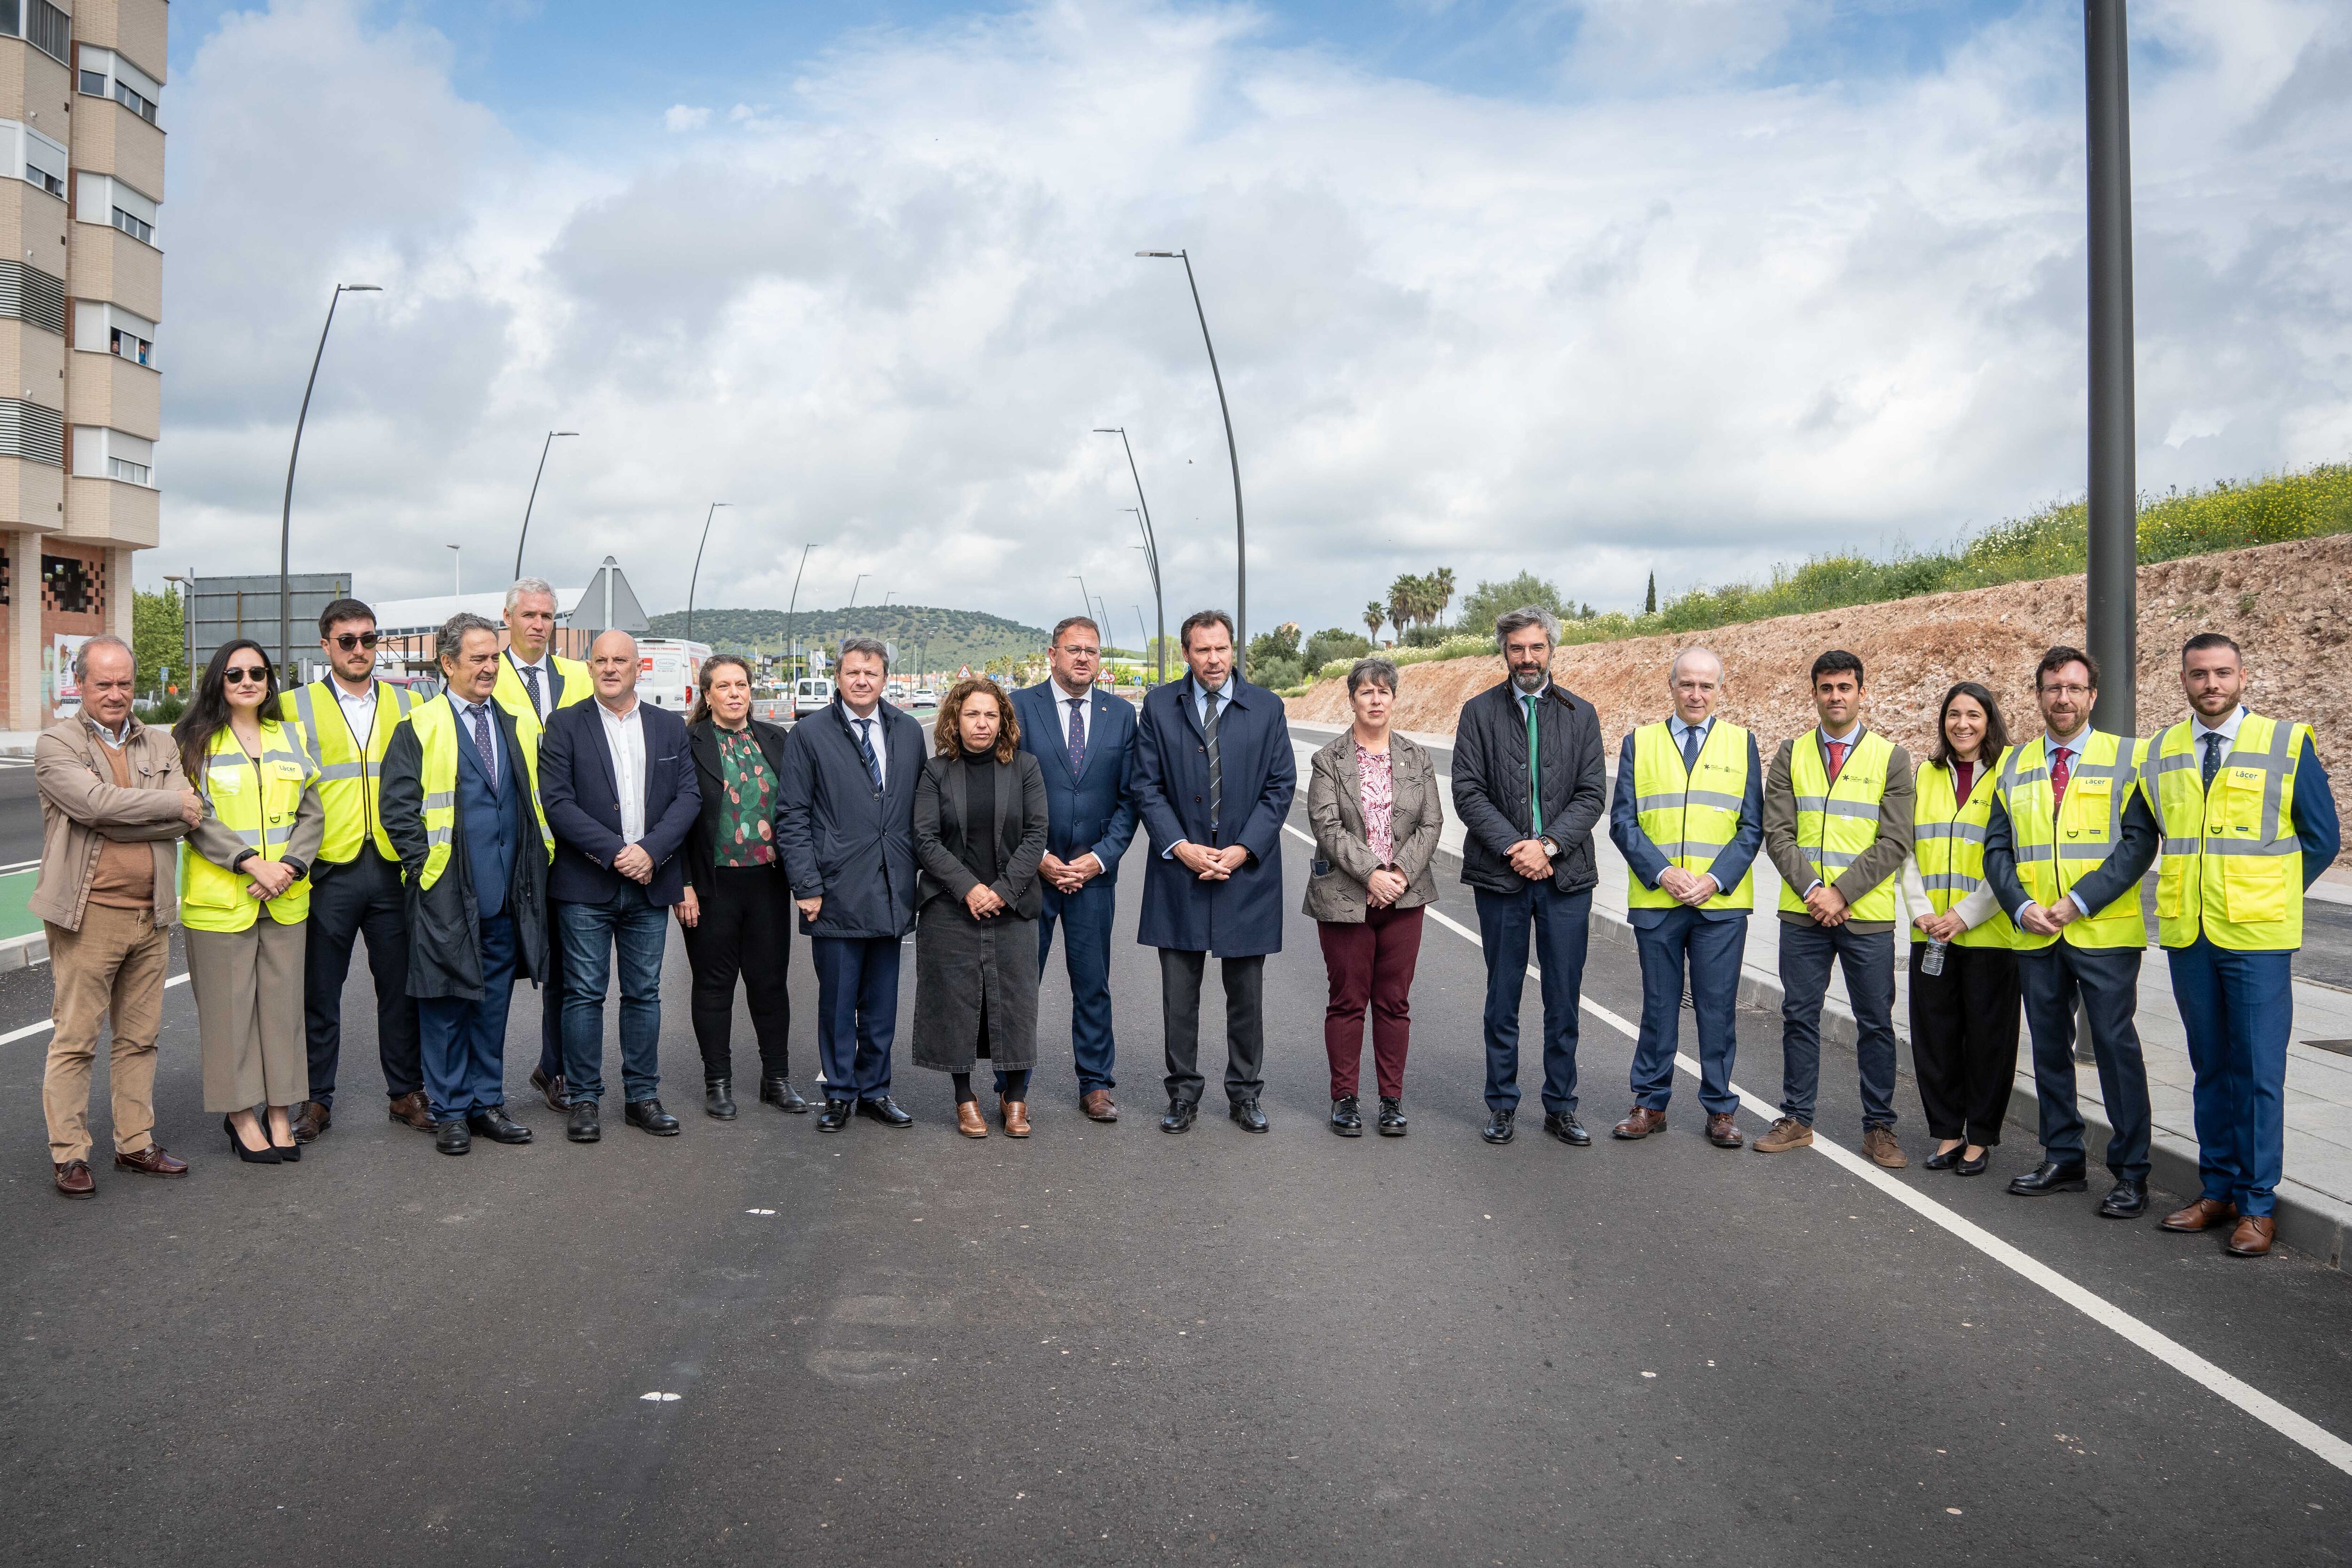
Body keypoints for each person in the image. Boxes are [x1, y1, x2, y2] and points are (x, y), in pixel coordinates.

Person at [2143, 633, 2339, 1258]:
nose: (2211, 684)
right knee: (2211, 1067)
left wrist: (2273, 894)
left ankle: (2258, 1204)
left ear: (2243, 676)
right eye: (2199, 674)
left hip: (2256, 937)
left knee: (2258, 1071)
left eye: (2222, 673)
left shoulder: (2286, 742)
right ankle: (2217, 1190)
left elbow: (2321, 838)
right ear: (2183, 680)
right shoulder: (2164, 750)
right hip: (2190, 934)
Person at [1983, 645, 2159, 1218]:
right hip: (2034, 932)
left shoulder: (2128, 758)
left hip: (2103, 931)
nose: (2063, 698)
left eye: (2074, 688)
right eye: (2052, 688)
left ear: (2092, 697)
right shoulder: (2012, 764)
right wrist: (2019, 904)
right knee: (2049, 1051)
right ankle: (2062, 1156)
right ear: (2038, 696)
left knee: (2113, 1047)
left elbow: (2137, 844)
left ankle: (2131, 1172)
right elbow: (1997, 849)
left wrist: (2077, 901)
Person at [33, 635, 203, 1197]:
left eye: (124, 683)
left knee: (140, 1039)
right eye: (102, 683)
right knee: (76, 1038)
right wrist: (164, 807)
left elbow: (187, 816)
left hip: (151, 914)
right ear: (79, 685)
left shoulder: (160, 742)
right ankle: (70, 1154)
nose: (115, 694)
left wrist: (139, 813)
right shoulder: (55, 743)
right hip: (88, 915)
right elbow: (94, 806)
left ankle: (135, 1144)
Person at [380, 613, 554, 1156]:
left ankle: (486, 1104)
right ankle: (451, 1109)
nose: (489, 667)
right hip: (446, 892)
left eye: (493, 656)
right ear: (448, 663)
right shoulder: (420, 726)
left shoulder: (516, 723)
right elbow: (399, 810)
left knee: (491, 1004)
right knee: (445, 1002)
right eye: (477, 658)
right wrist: (424, 870)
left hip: (507, 893)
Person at [1133, 610, 1296, 1134]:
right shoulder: (1159, 706)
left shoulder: (1268, 708)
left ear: (1233, 649)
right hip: (1180, 873)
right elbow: (1146, 786)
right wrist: (1179, 846)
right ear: (1186, 654)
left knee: (1245, 998)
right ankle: (1181, 1095)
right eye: (1202, 650)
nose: (1213, 660)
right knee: (1178, 999)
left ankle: (1245, 1095)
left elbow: (1280, 787)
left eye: (1221, 649)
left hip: (1245, 877)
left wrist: (1244, 849)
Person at [1452, 606, 1606, 1148]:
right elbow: (1467, 791)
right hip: (1502, 878)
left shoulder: (1581, 715)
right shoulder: (1477, 713)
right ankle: (1501, 1104)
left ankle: (1561, 1106)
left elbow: (1592, 794)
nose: (1526, 658)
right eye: (1516, 649)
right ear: (1504, 652)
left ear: (1551, 650)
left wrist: (1548, 845)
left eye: (1535, 648)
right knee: (1503, 996)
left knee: (1563, 999)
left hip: (1566, 878)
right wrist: (1515, 847)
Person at [539, 630, 700, 1143]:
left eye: (620, 661)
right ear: (589, 668)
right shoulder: (564, 725)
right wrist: (615, 853)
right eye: (601, 660)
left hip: (650, 882)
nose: (611, 668)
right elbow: (557, 803)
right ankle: (584, 1099)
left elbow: (688, 798)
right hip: (586, 883)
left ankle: (641, 1097)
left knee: (643, 995)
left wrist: (651, 851)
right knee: (584, 994)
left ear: (638, 668)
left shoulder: (667, 725)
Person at [278, 598, 429, 1142]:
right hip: (327, 870)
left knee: (400, 990)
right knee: (320, 992)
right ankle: (315, 1101)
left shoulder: (409, 702)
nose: (360, 650)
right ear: (326, 646)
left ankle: (405, 1092)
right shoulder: (293, 706)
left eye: (369, 640)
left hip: (393, 868)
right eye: (348, 641)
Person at [1758, 649, 1915, 1167]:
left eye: (1844, 687)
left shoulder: (1890, 757)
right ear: (1814, 694)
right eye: (1825, 688)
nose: (1835, 697)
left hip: (1864, 916)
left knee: (1874, 1023)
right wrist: (1814, 892)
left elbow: (1894, 840)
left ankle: (1879, 1129)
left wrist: (1840, 893)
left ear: (1861, 692)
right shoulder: (1790, 753)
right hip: (1803, 913)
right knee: (1799, 1016)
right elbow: (1776, 833)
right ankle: (1797, 1118)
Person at [174, 640, 326, 1165]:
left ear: (269, 681)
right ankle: (240, 1115)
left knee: (283, 1016)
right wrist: (248, 862)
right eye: (235, 673)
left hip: (285, 897)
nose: (247, 682)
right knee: (229, 1015)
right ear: (219, 680)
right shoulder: (193, 741)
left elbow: (312, 813)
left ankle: (280, 1112)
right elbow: (195, 819)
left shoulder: (291, 736)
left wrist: (289, 867)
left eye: (257, 673)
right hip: (221, 903)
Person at [1606, 646, 1761, 1149]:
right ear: (1670, 686)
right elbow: (1622, 822)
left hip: (1719, 905)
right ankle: (1650, 1103)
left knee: (1717, 1010)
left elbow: (1750, 827)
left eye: (1706, 686)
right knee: (1658, 1007)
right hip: (1658, 901)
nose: (1695, 694)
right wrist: (1663, 872)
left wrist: (1714, 880)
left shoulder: (1742, 744)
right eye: (1686, 684)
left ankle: (1720, 1110)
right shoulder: (1640, 742)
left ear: (1720, 690)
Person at [776, 637, 926, 1132]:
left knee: (882, 1005)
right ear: (838, 677)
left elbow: (918, 811)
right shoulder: (809, 734)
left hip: (892, 889)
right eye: (853, 673)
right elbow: (792, 816)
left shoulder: (907, 732)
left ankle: (875, 1091)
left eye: (872, 673)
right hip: (835, 891)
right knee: (839, 1003)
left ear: (886, 679)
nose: (862, 681)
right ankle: (839, 1093)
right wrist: (806, 885)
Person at [1303, 657, 1442, 1137]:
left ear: (1395, 699)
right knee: (1346, 1000)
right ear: (1352, 699)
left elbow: (1431, 824)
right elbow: (1325, 825)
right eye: (1366, 692)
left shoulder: (1416, 757)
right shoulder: (1328, 760)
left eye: (1384, 691)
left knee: (1393, 1002)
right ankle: (1344, 1099)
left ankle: (1390, 1100)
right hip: (1345, 896)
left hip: (1405, 897)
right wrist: (1371, 874)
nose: (1376, 699)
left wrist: (1399, 872)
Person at [1009, 616, 1139, 1122]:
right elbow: (1006, 792)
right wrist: (1037, 857)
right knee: (1022, 982)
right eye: (1072, 649)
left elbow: (1132, 799)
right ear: (1052, 654)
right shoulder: (1020, 707)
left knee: (1092, 984)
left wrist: (1100, 857)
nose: (1082, 658)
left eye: (1091, 650)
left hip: (1092, 876)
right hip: (1030, 874)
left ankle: (1096, 1085)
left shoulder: (1121, 715)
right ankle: (1012, 1084)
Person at [912, 678, 1050, 1137]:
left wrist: (1002, 890)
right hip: (950, 907)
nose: (981, 723)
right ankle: (964, 1098)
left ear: (1003, 722)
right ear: (955, 719)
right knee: (955, 1004)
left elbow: (1036, 835)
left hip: (1012, 907)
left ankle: (1015, 1100)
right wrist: (969, 888)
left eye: (991, 715)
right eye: (972, 714)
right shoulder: (936, 772)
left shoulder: (1025, 768)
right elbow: (925, 838)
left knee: (1012, 1005)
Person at [1899, 682, 2020, 1178]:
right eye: (1953, 715)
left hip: (1988, 935)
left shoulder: (2011, 773)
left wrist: (1965, 914)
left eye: (1973, 714)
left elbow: (2012, 856)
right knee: (1935, 1039)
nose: (1962, 724)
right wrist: (1921, 910)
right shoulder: (1923, 776)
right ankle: (1948, 1132)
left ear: (1989, 721)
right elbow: (1904, 850)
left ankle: (1981, 1137)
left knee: (1989, 1041)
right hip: (1929, 933)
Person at [678, 654, 803, 1117]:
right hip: (711, 886)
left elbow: (795, 811)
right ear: (706, 695)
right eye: (723, 686)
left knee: (771, 985)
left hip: (767, 883)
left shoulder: (775, 738)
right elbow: (674, 818)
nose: (734, 693)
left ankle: (777, 1079)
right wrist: (683, 884)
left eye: (741, 685)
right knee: (713, 986)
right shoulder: (687, 742)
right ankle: (719, 1082)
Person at [493, 576, 591, 1115]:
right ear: (507, 618)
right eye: (528, 615)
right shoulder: (488, 672)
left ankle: (555, 1069)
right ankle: (484, 1086)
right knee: (501, 969)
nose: (537, 625)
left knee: (566, 969)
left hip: (568, 847)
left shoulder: (577, 675)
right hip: (510, 846)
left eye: (547, 616)